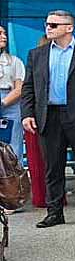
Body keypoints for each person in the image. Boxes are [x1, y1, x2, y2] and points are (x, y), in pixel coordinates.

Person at [20, 10, 75, 228]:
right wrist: (27, 114)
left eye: (54, 25)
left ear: (69, 27)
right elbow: (28, 87)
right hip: (48, 116)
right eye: (47, 24)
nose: (48, 27)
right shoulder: (36, 54)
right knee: (52, 168)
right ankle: (54, 212)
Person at [0, 26, 27, 178]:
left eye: (4, 33)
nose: (4, 36)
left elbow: (20, 88)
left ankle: (13, 187)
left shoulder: (14, 61)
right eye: (0, 33)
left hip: (10, 102)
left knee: (12, 146)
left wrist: (3, 103)